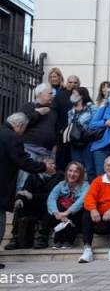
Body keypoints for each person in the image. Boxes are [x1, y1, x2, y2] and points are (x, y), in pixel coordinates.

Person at [0, 112, 48, 268]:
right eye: (24, 128)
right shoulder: (12, 137)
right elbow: (22, 161)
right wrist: (43, 167)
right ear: (19, 125)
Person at [4, 156, 62, 250]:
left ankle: (42, 237)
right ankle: (15, 237)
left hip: (48, 207)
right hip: (34, 205)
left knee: (49, 204)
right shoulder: (33, 176)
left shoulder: (59, 176)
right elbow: (24, 190)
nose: (51, 165)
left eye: (53, 163)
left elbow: (54, 195)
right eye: (48, 163)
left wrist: (33, 196)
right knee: (20, 204)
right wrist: (19, 198)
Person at [19, 83, 58, 188]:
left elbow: (55, 132)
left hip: (46, 155)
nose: (52, 96)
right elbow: (21, 123)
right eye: (50, 93)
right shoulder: (28, 106)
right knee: (24, 182)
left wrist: (52, 155)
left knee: (41, 184)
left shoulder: (52, 111)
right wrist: (38, 112)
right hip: (29, 152)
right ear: (40, 94)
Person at [47, 161, 89, 248]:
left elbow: (81, 201)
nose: (72, 174)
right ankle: (58, 240)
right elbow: (51, 198)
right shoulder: (61, 184)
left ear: (80, 174)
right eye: (70, 171)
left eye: (76, 172)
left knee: (79, 209)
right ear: (66, 172)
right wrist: (56, 213)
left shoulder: (86, 185)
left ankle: (68, 240)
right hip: (61, 214)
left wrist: (67, 213)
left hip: (76, 214)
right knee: (58, 205)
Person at [65, 87, 97, 182]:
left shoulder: (91, 108)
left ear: (81, 95)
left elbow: (95, 123)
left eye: (74, 93)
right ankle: (78, 191)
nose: (72, 95)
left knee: (90, 168)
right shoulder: (71, 111)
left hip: (88, 141)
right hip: (75, 142)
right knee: (77, 167)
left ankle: (91, 190)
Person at [53, 75, 81, 171]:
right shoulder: (59, 96)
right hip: (63, 134)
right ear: (66, 83)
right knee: (62, 161)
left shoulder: (81, 96)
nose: (72, 84)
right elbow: (55, 115)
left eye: (75, 82)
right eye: (70, 82)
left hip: (78, 135)